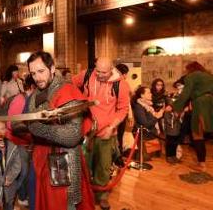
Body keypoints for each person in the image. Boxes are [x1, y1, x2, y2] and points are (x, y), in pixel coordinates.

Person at [25, 51, 94, 210]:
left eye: (41, 71)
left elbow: (72, 136)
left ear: (52, 68)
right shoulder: (36, 94)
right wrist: (23, 125)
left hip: (64, 161)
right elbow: (30, 123)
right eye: (33, 73)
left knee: (64, 204)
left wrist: (38, 128)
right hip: (41, 158)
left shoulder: (68, 92)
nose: (37, 77)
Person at [72, 57, 130, 210]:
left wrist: (112, 127)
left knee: (103, 167)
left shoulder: (121, 84)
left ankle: (102, 196)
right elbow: (71, 85)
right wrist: (78, 101)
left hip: (106, 132)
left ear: (111, 69)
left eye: (104, 72)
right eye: (97, 70)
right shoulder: (87, 75)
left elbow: (123, 109)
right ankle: (84, 194)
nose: (100, 74)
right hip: (86, 131)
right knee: (84, 165)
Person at [173, 61, 213, 172]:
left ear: (190, 69)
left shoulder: (191, 76)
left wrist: (176, 108)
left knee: (197, 135)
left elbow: (185, 94)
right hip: (211, 104)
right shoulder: (209, 76)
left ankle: (202, 165)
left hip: (200, 105)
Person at [6, 75, 36, 207]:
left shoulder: (33, 100)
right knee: (22, 172)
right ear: (32, 87)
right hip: (17, 142)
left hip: (27, 142)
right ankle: (13, 196)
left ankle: (23, 196)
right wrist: (31, 136)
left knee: (27, 171)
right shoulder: (20, 100)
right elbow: (10, 124)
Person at [131, 86, 164, 161]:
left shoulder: (148, 106)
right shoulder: (139, 107)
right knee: (146, 158)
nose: (151, 94)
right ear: (142, 95)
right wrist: (157, 117)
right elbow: (145, 124)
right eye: (148, 93)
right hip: (144, 136)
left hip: (150, 135)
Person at [163, 99, 182, 164]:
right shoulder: (167, 112)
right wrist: (177, 116)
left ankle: (174, 156)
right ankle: (169, 156)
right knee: (169, 145)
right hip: (170, 132)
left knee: (175, 144)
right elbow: (169, 122)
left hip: (176, 131)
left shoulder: (175, 112)